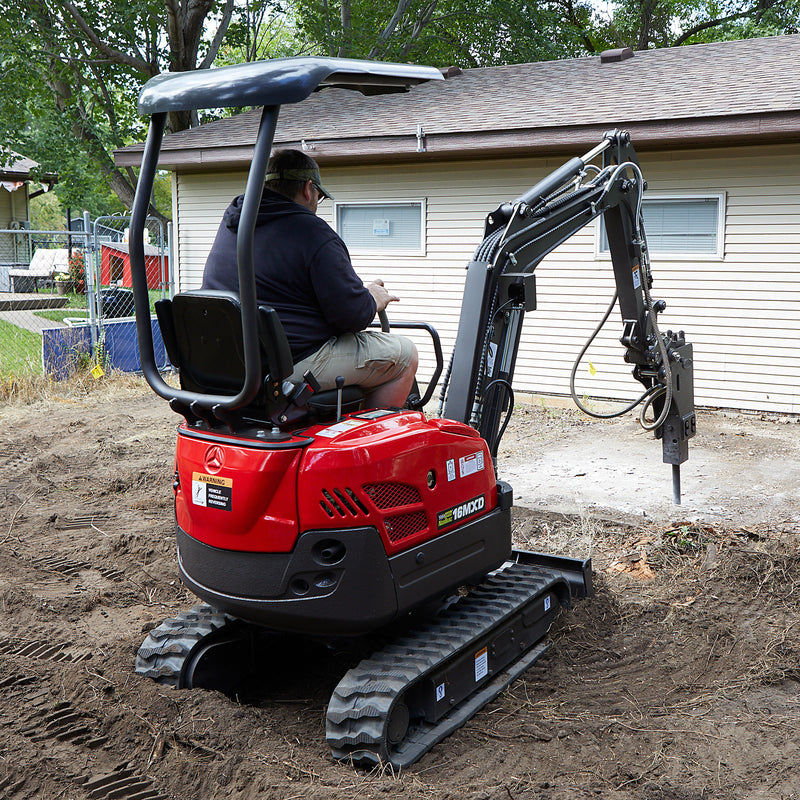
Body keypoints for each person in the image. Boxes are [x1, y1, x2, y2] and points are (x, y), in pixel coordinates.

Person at [202, 149, 418, 409]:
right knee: (405, 354)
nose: (316, 204)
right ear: (308, 189)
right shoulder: (312, 233)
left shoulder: (233, 225)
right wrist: (372, 299)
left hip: (227, 362)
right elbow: (351, 317)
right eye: (319, 196)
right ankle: (375, 441)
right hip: (285, 366)